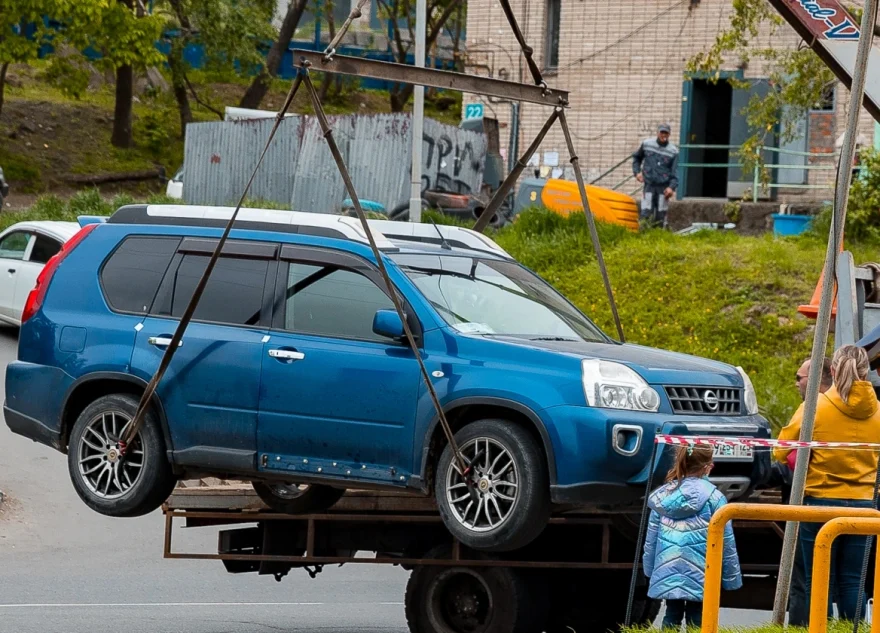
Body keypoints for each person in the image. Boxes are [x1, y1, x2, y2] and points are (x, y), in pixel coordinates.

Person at [774, 345, 880, 624]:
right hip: (865, 505)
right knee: (853, 581)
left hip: (819, 504)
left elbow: (780, 451)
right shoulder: (879, 411)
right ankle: (850, 630)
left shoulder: (813, 407)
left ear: (832, 371)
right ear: (867, 373)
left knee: (816, 580)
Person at [642, 444, 742, 630]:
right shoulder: (715, 498)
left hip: (668, 567)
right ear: (707, 466)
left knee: (671, 614)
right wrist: (730, 578)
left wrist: (649, 570)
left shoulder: (663, 498)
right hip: (702, 570)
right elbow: (726, 542)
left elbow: (651, 541)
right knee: (698, 617)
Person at [776, 357, 833, 626]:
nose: (796, 382)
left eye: (800, 377)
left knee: (804, 578)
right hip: (858, 502)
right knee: (846, 579)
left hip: (812, 496)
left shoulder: (811, 406)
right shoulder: (849, 405)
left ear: (816, 379)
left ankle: (801, 627)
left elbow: (780, 450)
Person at [632, 124, 680, 229]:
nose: (664, 135)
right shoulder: (647, 144)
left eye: (666, 133)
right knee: (646, 213)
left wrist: (671, 187)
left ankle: (657, 238)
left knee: (660, 215)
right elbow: (636, 158)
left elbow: (675, 171)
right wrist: (637, 172)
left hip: (663, 188)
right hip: (649, 185)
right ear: (657, 133)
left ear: (669, 134)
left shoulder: (674, 151)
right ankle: (643, 237)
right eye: (662, 132)